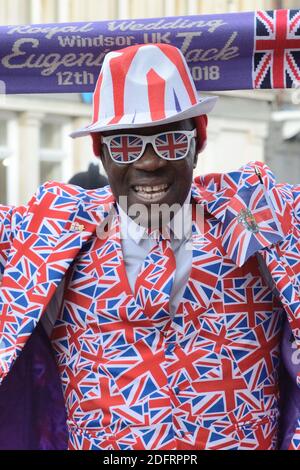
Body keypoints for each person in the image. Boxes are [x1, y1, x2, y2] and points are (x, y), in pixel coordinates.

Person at [0, 43, 299, 450]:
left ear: (199, 142)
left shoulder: (260, 220)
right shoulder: (50, 236)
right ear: (101, 152)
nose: (150, 162)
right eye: (125, 144)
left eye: (171, 141)